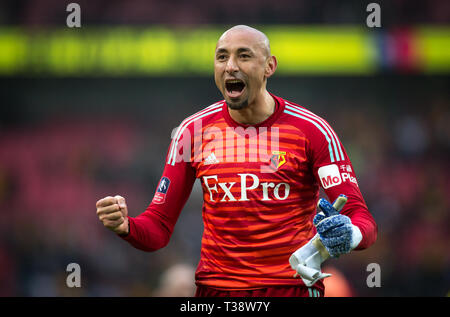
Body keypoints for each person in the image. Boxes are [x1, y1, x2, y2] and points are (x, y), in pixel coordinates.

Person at [95, 25, 377, 297]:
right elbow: (158, 228)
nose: (230, 65)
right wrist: (126, 226)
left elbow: (362, 219)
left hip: (290, 289)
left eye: (244, 55)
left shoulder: (312, 131)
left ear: (269, 66)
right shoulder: (192, 132)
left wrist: (349, 233)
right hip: (216, 290)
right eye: (222, 57)